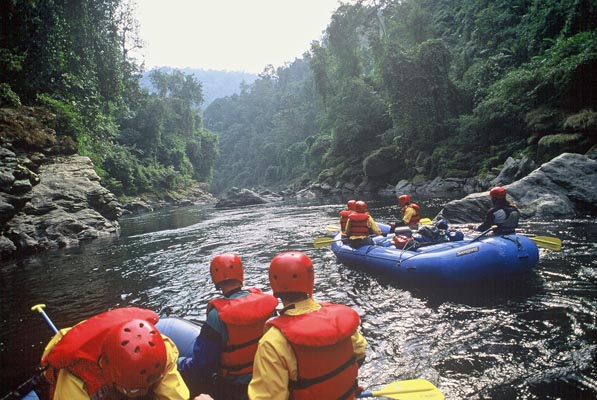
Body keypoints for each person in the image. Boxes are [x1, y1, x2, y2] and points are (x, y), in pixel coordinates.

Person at [248, 251, 368, 400]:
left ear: (274, 284)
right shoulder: (341, 323)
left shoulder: (272, 342)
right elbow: (360, 351)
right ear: (311, 279)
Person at [178, 254, 278, 400]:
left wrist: (179, 363)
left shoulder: (216, 316)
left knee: (181, 366)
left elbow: (201, 365)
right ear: (240, 274)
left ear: (215, 280)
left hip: (234, 389)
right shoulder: (267, 304)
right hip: (268, 379)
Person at [40, 307, 190, 400]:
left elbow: (174, 395)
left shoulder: (162, 352)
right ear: (107, 369)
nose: (143, 393)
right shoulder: (76, 376)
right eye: (135, 390)